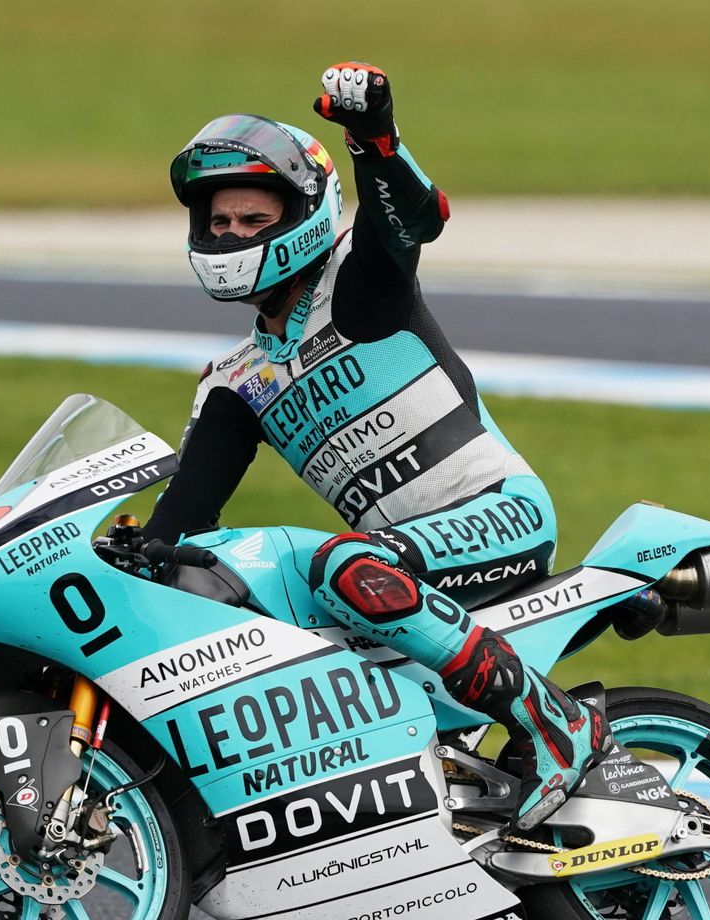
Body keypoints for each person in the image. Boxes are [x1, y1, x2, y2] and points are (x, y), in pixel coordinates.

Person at [141, 62, 607, 832]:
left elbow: (413, 219)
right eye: (219, 223)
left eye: (252, 221)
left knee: (339, 563)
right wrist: (117, 558)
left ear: (302, 214)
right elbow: (182, 518)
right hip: (399, 559)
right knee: (241, 591)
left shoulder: (359, 290)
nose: (230, 236)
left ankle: (556, 722)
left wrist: (373, 139)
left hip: (497, 514)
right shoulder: (233, 382)